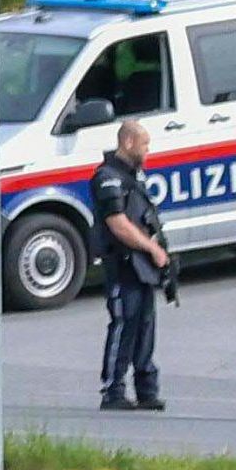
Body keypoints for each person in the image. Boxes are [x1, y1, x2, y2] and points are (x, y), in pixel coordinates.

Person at [91, 119, 169, 411]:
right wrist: (151, 247)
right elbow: (118, 223)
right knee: (124, 326)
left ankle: (147, 389)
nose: (148, 150)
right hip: (123, 265)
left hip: (142, 266)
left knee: (145, 327)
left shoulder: (135, 176)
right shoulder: (108, 178)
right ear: (128, 142)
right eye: (145, 143)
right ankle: (113, 390)